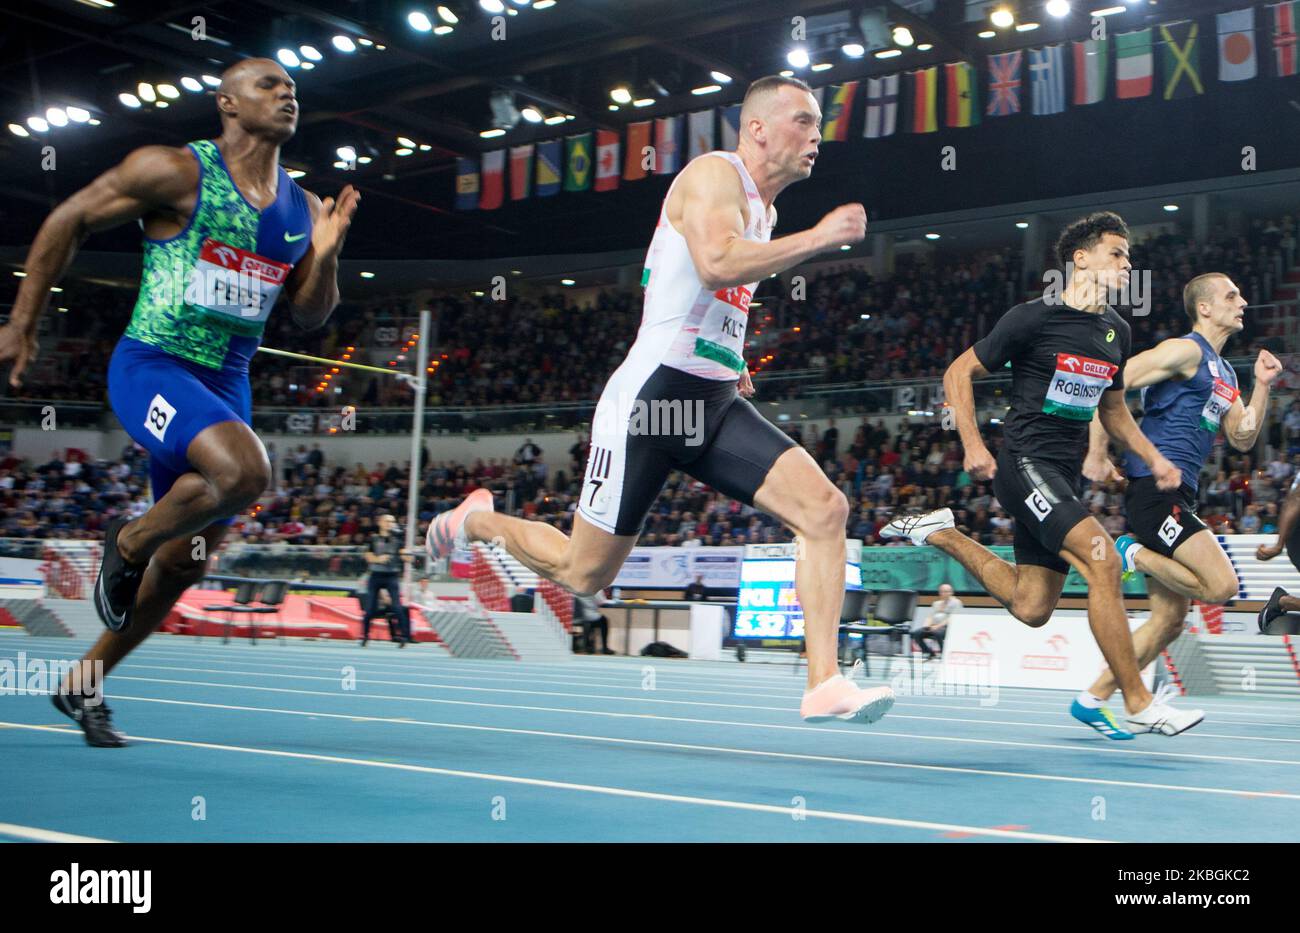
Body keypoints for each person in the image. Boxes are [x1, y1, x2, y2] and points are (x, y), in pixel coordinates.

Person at [429, 75, 893, 724]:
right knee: (583, 572)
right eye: (803, 120)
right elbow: (717, 264)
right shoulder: (711, 174)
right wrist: (822, 237)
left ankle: (824, 681)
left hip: (712, 402)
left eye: (819, 124)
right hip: (651, 402)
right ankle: (474, 519)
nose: (817, 135)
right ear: (757, 127)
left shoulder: (765, 210)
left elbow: (714, 298)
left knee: (824, 509)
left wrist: (731, 362)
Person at [0, 58, 356, 747]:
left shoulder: (304, 207)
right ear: (226, 102)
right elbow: (69, 218)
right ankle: (127, 539)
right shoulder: (175, 171)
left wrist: (329, 251)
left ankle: (84, 682)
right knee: (247, 474)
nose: (287, 95)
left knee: (190, 558)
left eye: (293, 88)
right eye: (269, 85)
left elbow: (311, 315)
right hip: (152, 365)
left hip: (226, 385)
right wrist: (22, 320)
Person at [882, 212, 1203, 736]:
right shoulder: (1033, 318)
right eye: (1117, 253)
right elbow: (957, 371)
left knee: (1033, 607)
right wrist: (972, 443)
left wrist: (1155, 458)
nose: (1128, 263)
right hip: (1023, 462)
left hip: (1062, 476)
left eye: (1128, 255)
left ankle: (939, 532)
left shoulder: (1116, 331)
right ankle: (1139, 700)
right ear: (1081, 259)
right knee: (1101, 561)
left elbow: (1114, 410)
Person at [1079, 274, 1280, 736]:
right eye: (1232, 295)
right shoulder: (1184, 351)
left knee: (1170, 620)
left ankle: (1093, 698)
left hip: (1180, 493)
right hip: (1154, 490)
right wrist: (1097, 451)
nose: (1244, 301)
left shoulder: (1225, 373)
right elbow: (1108, 382)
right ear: (1204, 308)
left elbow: (1242, 435)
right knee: (1221, 585)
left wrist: (1263, 384)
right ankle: (1132, 552)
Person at [362, 513, 412, 645]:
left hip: (391, 576)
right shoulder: (373, 539)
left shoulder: (397, 540)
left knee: (397, 606)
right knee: (369, 608)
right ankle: (365, 636)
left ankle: (405, 637)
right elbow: (368, 557)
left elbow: (405, 556)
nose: (390, 524)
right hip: (375, 575)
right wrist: (379, 559)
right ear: (381, 523)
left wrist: (408, 556)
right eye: (388, 521)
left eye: (393, 521)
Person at [913, 583, 961, 661]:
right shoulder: (936, 604)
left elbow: (951, 618)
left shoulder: (956, 603)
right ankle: (930, 653)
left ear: (951, 592)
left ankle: (944, 654)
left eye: (947, 591)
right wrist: (926, 625)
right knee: (916, 633)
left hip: (947, 627)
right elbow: (930, 616)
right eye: (942, 591)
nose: (944, 593)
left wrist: (937, 626)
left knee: (937, 633)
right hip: (933, 626)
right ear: (939, 593)